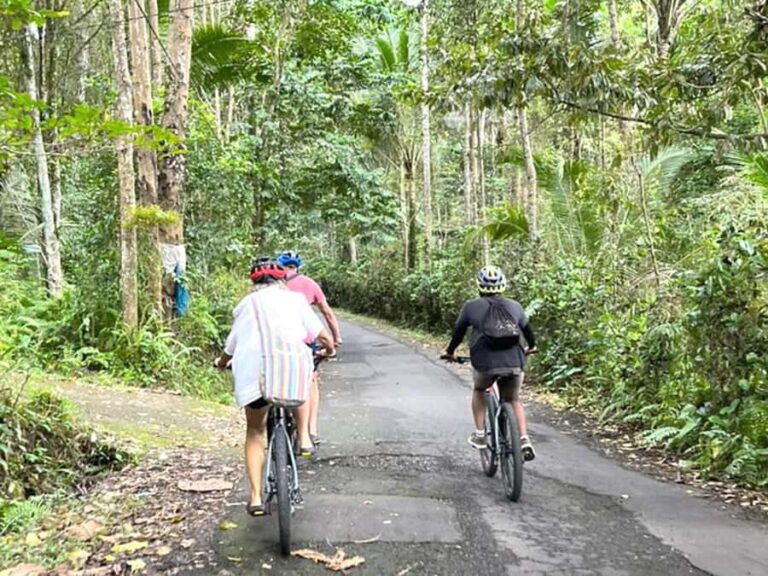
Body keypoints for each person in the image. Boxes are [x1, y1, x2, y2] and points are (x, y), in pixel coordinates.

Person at [215, 260, 335, 516]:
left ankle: (256, 498)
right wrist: (329, 349)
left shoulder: (246, 305)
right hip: (290, 369)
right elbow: (322, 336)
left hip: (255, 374)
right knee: (302, 379)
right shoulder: (295, 300)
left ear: (254, 283)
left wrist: (221, 363)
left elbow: (231, 346)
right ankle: (304, 438)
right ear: (282, 280)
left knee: (255, 430)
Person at [443, 265, 538, 461]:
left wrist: (450, 352)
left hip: (485, 363)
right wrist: (531, 347)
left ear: (479, 285)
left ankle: (480, 435)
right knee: (513, 399)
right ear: (503, 285)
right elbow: (529, 334)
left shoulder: (471, 306)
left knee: (479, 390)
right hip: (514, 361)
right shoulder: (515, 306)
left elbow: (458, 333)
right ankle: (524, 439)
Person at [276, 251, 342, 455]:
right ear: (297, 267)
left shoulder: (272, 284)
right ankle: (310, 431)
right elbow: (327, 312)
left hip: (276, 341)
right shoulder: (309, 284)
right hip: (304, 342)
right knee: (310, 381)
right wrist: (336, 337)